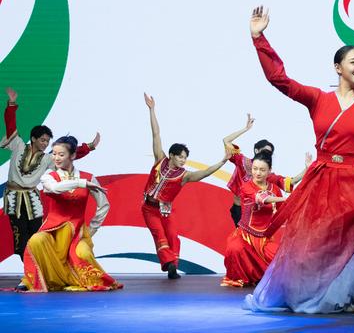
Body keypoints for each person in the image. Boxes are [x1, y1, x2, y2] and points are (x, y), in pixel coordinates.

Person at [243, 6, 354, 314]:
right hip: (322, 180)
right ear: (337, 67)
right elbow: (279, 79)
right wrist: (259, 38)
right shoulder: (318, 99)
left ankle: (344, 296)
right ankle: (303, 293)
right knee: (311, 244)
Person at [2, 87, 98, 259]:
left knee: (37, 236)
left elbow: (67, 155)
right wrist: (11, 104)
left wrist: (88, 147)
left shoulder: (47, 159)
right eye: (43, 140)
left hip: (32, 200)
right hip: (14, 198)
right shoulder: (17, 145)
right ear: (33, 138)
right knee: (20, 237)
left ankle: (36, 273)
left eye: (48, 141)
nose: (46, 144)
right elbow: (10, 127)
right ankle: (30, 274)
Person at [141, 93, 229, 279]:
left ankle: (172, 265)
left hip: (165, 210)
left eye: (185, 157)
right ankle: (169, 265)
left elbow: (204, 173)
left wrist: (222, 161)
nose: (183, 160)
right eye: (180, 156)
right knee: (160, 236)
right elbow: (156, 133)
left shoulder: (184, 176)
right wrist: (152, 110)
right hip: (149, 208)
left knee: (173, 237)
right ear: (172, 155)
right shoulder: (159, 160)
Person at [19, 136, 121, 292]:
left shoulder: (89, 177)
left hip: (77, 233)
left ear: (72, 156)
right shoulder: (49, 176)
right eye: (53, 154)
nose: (56, 158)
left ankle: (77, 278)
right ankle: (30, 280)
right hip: (52, 232)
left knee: (83, 253)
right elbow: (53, 189)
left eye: (61, 154)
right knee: (36, 240)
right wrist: (81, 183)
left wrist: (91, 229)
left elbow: (104, 205)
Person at [221, 113, 309, 226]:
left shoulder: (268, 175)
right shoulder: (243, 161)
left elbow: (291, 182)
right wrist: (245, 129)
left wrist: (306, 169)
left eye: (270, 153)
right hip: (239, 210)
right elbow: (226, 141)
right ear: (256, 151)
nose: (268, 154)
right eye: (265, 151)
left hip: (255, 215)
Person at [221, 152, 288, 287]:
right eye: (255, 169)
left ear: (269, 171)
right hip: (245, 236)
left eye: (262, 170)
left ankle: (262, 277)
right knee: (234, 249)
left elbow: (283, 209)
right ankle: (241, 277)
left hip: (264, 239)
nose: (257, 173)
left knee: (281, 260)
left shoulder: (274, 188)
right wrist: (285, 198)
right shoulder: (246, 187)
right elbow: (262, 199)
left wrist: (307, 170)